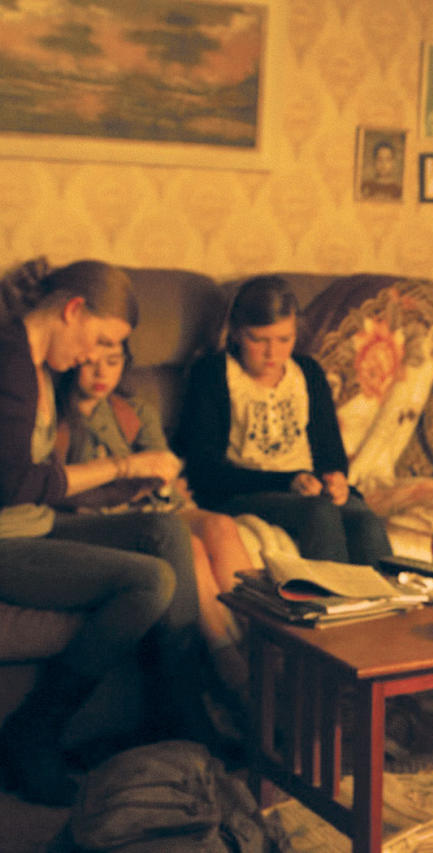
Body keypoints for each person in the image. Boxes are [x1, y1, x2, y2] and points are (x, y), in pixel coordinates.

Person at [0, 259, 209, 806]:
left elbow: (45, 489)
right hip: (6, 542)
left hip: (35, 523)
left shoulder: (40, 364)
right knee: (148, 581)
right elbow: (16, 483)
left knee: (163, 528)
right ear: (73, 310)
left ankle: (178, 720)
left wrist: (124, 492)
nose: (94, 357)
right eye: (100, 340)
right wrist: (123, 466)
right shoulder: (9, 360)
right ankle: (32, 731)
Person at [57, 338, 253, 696]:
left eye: (113, 362)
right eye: (91, 363)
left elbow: (163, 468)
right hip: (108, 515)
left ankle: (261, 641)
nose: (101, 373)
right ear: (73, 361)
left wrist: (162, 476)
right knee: (189, 547)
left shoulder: (133, 410)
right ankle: (224, 654)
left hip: (157, 503)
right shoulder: (57, 419)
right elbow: (59, 487)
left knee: (220, 525)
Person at [175, 275, 393, 566]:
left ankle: (388, 594)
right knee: (318, 512)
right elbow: (205, 470)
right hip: (243, 491)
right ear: (236, 333)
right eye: (258, 340)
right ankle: (329, 594)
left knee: (366, 522)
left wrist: (334, 480)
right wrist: (288, 481)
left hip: (307, 489)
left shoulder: (307, 373)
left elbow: (330, 452)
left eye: (284, 339)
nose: (272, 353)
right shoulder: (213, 374)